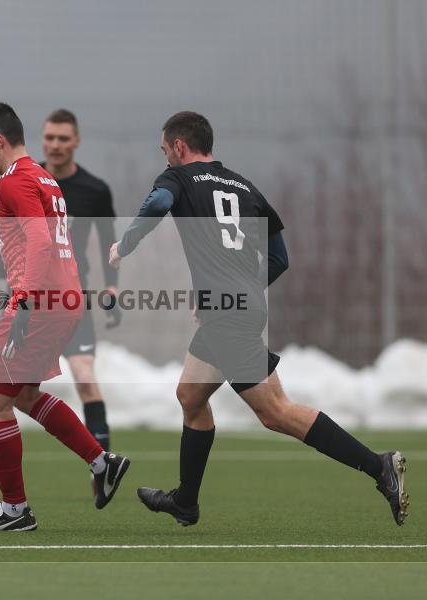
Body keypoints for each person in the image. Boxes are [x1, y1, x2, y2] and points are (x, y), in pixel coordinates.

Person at [109, 111, 408, 527]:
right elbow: (280, 259)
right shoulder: (244, 186)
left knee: (275, 412)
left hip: (228, 314)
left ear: (179, 146)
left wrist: (126, 242)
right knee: (190, 397)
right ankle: (186, 502)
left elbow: (158, 203)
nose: (165, 160)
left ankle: (380, 467)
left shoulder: (176, 179)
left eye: (165, 151)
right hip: (238, 307)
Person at [0, 102, 130, 532]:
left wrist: (22, 300)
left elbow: (39, 242)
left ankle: (15, 510)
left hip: (38, 303)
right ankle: (101, 461)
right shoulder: (46, 179)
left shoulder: (15, 181)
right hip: (64, 299)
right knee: (21, 397)